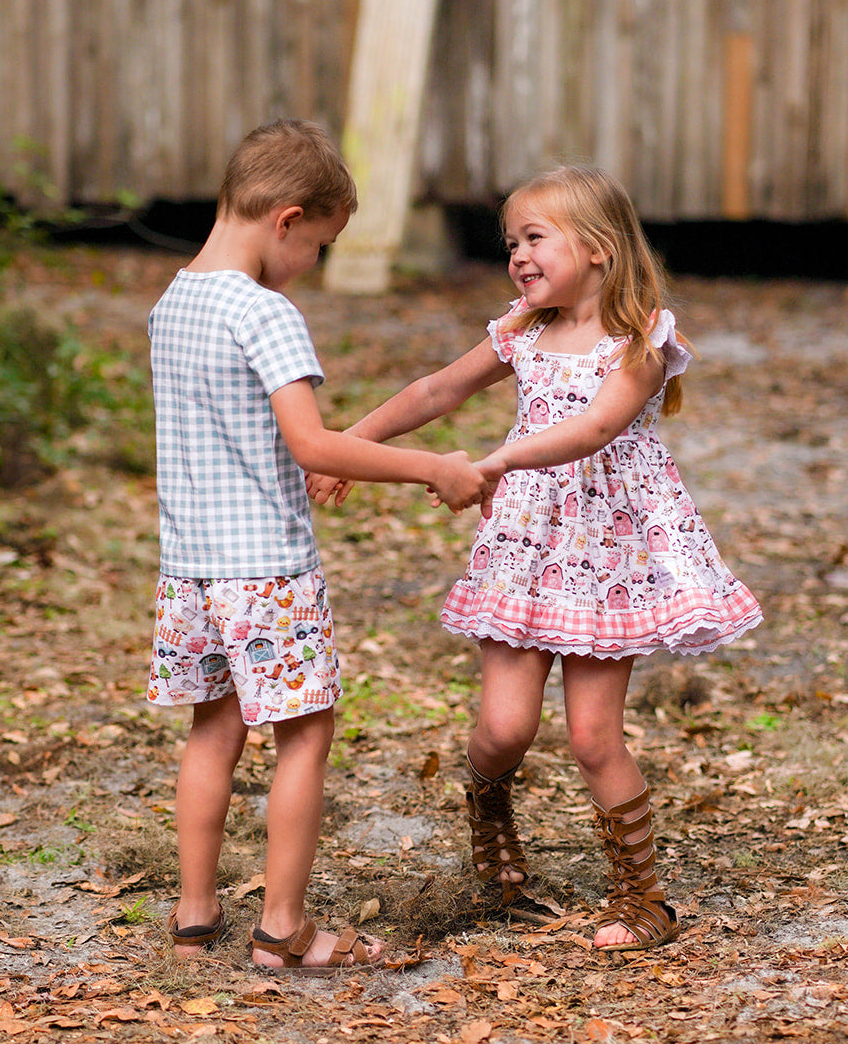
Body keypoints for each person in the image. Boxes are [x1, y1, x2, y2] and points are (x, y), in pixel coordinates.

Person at [308, 165, 762, 952]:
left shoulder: (644, 337)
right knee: (503, 729)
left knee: (593, 736)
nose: (517, 255)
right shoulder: (521, 328)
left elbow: (592, 430)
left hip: (609, 559)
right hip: (527, 551)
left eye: (535, 237)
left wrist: (493, 463)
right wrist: (351, 445)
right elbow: (434, 394)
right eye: (510, 241)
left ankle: (644, 899)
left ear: (598, 247)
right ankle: (489, 810)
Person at [147, 118, 491, 971]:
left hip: (190, 572)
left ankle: (195, 916)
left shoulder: (173, 302)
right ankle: (283, 929)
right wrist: (431, 467)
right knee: (304, 734)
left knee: (212, 732)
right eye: (323, 246)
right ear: (288, 218)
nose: (315, 266)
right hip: (265, 571)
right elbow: (312, 444)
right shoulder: (266, 313)